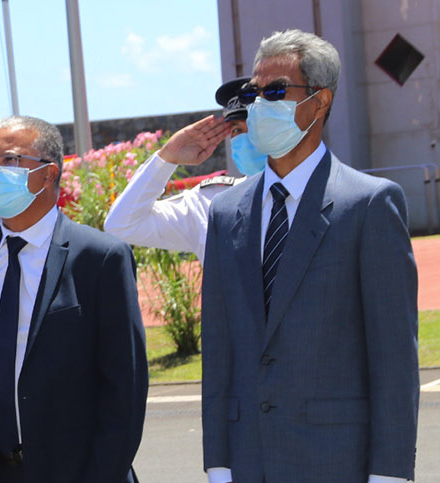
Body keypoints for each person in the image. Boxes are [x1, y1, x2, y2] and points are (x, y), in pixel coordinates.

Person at [200, 29, 418, 483]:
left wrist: (389, 474)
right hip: (248, 460)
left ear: (320, 102)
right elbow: (218, 349)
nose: (260, 104)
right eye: (254, 93)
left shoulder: (370, 204)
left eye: (276, 91)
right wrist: (218, 465)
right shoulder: (226, 212)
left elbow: (394, 357)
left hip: (336, 462)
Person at [0, 115, 147, 483]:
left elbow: (124, 391)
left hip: (75, 472)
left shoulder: (99, 258)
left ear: (49, 174)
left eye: (10, 160)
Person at [104, 77, 263, 261]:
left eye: (255, 126)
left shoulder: (294, 193)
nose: (245, 138)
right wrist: (166, 159)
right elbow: (121, 225)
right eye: (236, 130)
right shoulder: (210, 202)